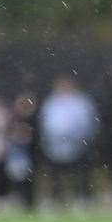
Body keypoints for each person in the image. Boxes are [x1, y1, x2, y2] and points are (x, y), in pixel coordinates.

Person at [38, 74, 98, 205]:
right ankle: (56, 199)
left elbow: (87, 122)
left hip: (78, 144)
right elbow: (45, 122)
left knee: (81, 174)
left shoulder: (81, 102)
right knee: (55, 175)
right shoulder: (51, 102)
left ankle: (83, 198)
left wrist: (80, 137)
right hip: (54, 145)